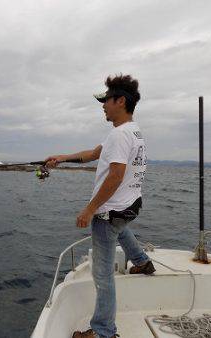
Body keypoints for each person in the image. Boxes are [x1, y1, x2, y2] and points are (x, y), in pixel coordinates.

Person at [45, 74, 155, 338]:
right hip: (129, 206)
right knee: (121, 228)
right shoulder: (132, 131)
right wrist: (62, 158)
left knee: (103, 277)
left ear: (120, 101)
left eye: (106, 100)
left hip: (109, 213)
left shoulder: (119, 135)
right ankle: (141, 262)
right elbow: (95, 153)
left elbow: (115, 175)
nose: (103, 105)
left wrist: (90, 209)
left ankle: (103, 331)